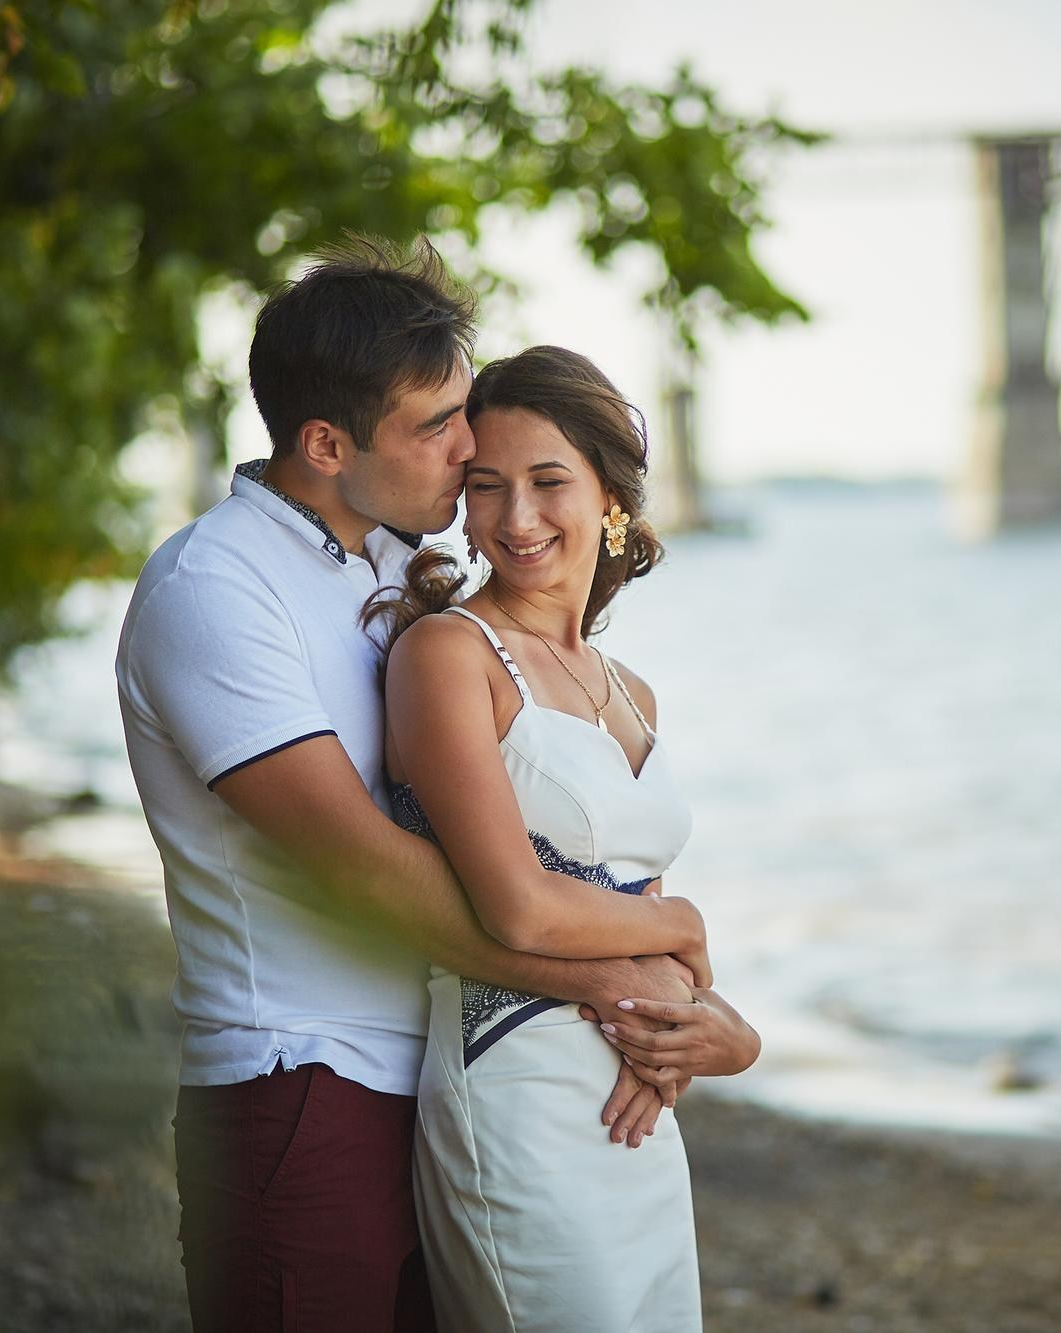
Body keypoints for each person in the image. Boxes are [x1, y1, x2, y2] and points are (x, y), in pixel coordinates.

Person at [114, 236, 755, 1332]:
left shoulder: (373, 565)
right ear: (326, 442)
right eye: (438, 427)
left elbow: (530, 833)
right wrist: (616, 978)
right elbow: (365, 871)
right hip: (303, 1080)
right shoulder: (214, 586)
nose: (469, 454)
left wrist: (687, 1006)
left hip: (446, 1068)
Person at [369, 345, 756, 1333]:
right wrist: (683, 919)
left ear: (609, 500)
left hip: (633, 1099)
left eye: (548, 483)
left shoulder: (633, 692)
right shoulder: (448, 655)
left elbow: (636, 935)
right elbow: (518, 903)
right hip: (517, 1090)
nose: (515, 519)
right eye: (486, 488)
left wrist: (724, 1037)